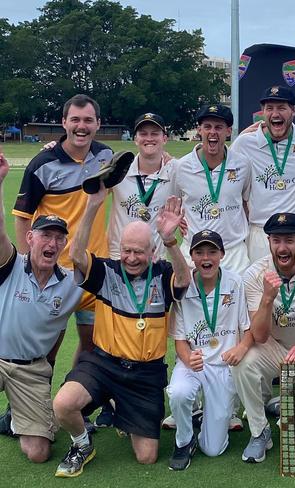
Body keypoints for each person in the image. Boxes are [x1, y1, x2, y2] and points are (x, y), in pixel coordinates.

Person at [52, 188, 190, 477]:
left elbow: (184, 279)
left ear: (151, 252)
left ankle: (119, 406)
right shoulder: (107, 272)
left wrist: (169, 241)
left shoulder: (163, 273)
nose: (131, 257)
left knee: (147, 457)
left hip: (145, 374)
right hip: (104, 363)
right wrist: (93, 205)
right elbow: (76, 254)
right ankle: (82, 444)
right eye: (126, 250)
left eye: (138, 251)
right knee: (63, 405)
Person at [12, 94, 112, 370]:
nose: (82, 126)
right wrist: (26, 266)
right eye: (75, 120)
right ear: (64, 122)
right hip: (53, 273)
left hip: (93, 269)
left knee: (92, 348)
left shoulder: (106, 156)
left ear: (98, 124)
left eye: (88, 120)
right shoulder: (42, 163)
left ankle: (73, 404)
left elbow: (143, 165)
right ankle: (27, 408)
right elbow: (22, 219)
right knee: (45, 350)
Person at [0, 151, 82, 462]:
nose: (52, 243)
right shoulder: (10, 264)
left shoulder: (71, 284)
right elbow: (0, 232)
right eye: (46, 235)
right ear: (31, 238)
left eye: (59, 239)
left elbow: (59, 328)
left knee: (37, 453)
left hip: (30, 372)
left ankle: (16, 419)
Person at [233, 213, 295, 463]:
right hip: (272, 347)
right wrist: (267, 298)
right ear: (268, 242)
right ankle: (259, 432)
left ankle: (283, 402)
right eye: (277, 240)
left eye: (289, 240)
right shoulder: (254, 274)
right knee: (243, 363)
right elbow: (260, 335)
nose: (283, 247)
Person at [166, 230, 252, 470]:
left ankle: (205, 418)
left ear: (222, 254)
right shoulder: (183, 286)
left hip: (223, 366)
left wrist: (242, 348)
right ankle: (184, 440)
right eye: (200, 252)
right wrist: (187, 359)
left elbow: (247, 328)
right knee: (179, 393)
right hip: (193, 362)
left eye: (212, 251)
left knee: (213, 450)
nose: (206, 258)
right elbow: (180, 340)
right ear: (191, 256)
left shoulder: (235, 282)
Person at [229, 86, 295, 261]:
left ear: (294, 110)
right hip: (261, 234)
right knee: (261, 287)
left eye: (281, 108)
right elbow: (221, 176)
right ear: (262, 112)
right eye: (269, 108)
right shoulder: (244, 144)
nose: (275, 114)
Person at [172, 104, 251, 274]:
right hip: (194, 251)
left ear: (228, 131)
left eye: (218, 127)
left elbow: (245, 202)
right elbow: (173, 203)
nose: (212, 132)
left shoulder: (243, 164)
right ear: (199, 130)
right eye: (207, 127)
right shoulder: (181, 167)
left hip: (233, 252)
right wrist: (177, 219)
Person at [108, 113, 176, 261]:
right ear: (135, 139)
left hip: (155, 261)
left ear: (164, 138)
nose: (149, 138)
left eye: (155, 134)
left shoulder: (176, 170)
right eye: (143, 134)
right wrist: (55, 147)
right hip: (120, 258)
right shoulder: (119, 169)